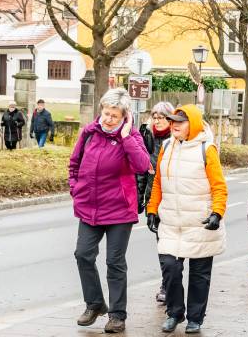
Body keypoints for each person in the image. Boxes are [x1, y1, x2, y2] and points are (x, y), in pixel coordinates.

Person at [67, 88, 151, 333]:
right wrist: (76, 188)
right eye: (105, 113)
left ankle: (117, 315)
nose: (108, 119)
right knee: (83, 254)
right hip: (89, 208)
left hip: (118, 211)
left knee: (114, 263)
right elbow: (74, 164)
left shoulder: (132, 137)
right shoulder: (89, 134)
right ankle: (94, 304)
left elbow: (143, 165)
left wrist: (125, 137)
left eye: (114, 115)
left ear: (124, 116)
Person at [146, 104, 228, 334]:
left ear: (192, 124)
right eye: (172, 122)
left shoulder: (207, 149)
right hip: (172, 222)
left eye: (179, 122)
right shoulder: (167, 146)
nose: (174, 126)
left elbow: (219, 187)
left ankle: (195, 318)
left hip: (200, 223)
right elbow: (159, 182)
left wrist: (217, 213)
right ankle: (174, 312)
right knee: (170, 268)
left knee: (199, 275)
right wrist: (152, 209)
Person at [136, 101, 176, 304]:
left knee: (176, 248)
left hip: (176, 200)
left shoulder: (177, 138)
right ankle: (167, 285)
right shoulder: (147, 138)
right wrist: (138, 199)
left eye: (163, 116)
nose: (158, 120)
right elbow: (141, 170)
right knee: (163, 246)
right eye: (155, 116)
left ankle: (172, 284)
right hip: (155, 200)